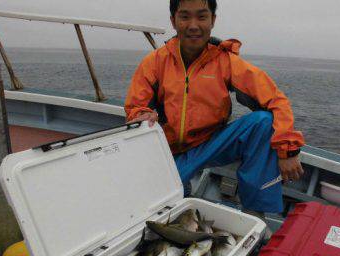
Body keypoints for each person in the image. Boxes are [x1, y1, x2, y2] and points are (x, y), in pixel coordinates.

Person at [125, 0, 305, 214]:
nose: (193, 25)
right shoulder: (154, 62)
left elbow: (275, 100)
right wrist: (142, 115)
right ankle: (182, 188)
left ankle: (255, 214)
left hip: (212, 143)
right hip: (168, 150)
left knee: (263, 122)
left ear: (213, 21)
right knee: (163, 204)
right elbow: (136, 106)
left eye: (202, 16)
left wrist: (288, 149)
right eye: (184, 17)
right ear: (173, 21)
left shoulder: (226, 61)